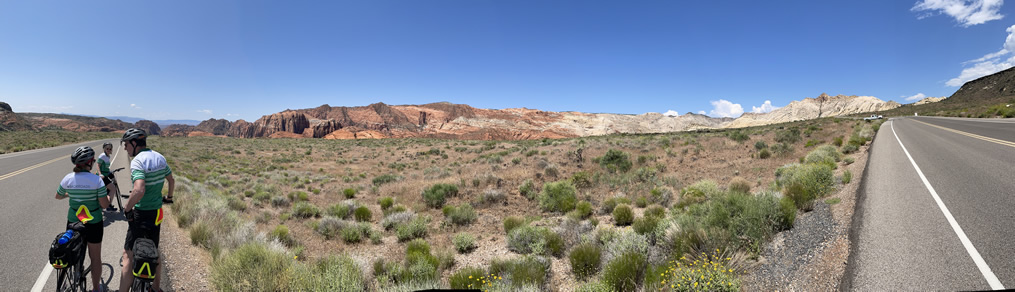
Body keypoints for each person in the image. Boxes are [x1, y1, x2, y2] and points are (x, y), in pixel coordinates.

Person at [118, 128, 175, 292]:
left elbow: (139, 190)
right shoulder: (160, 158)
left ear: (135, 143)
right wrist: (169, 198)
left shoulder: (137, 161)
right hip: (156, 213)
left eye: (126, 144)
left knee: (128, 255)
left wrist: (127, 208)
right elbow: (171, 180)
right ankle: (156, 289)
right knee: (154, 251)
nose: (125, 148)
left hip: (140, 213)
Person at [56, 146, 110, 292]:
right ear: (90, 162)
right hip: (93, 223)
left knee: (69, 249)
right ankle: (95, 289)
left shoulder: (67, 178)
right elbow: (104, 204)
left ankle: (66, 280)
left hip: (73, 221)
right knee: (95, 257)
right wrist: (108, 198)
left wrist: (71, 195)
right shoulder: (96, 180)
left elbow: (58, 196)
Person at [96, 142, 117, 212]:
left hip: (105, 175)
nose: (109, 150)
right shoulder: (102, 156)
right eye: (107, 148)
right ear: (104, 149)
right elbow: (98, 165)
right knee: (113, 188)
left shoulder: (108, 156)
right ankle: (108, 206)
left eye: (110, 148)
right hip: (101, 176)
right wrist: (100, 174)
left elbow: (105, 167)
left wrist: (109, 172)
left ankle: (105, 204)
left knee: (108, 189)